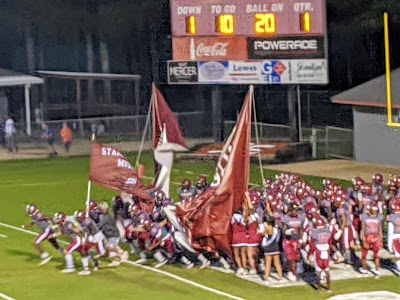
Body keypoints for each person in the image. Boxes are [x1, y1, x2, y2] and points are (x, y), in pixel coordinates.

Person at [262, 216, 283, 285]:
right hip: (275, 247)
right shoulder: (276, 229)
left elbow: (264, 234)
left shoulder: (267, 228)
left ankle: (266, 278)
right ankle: (280, 278)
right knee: (277, 263)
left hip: (268, 247)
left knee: (268, 264)